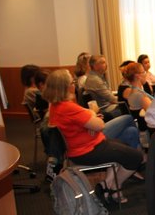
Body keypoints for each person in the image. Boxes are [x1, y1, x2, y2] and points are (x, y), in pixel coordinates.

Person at [43, 69, 143, 203]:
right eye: (72, 82)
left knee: (126, 139)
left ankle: (106, 184)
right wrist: (93, 118)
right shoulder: (68, 108)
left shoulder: (56, 106)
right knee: (136, 157)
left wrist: (91, 119)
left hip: (85, 146)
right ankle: (114, 187)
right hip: (87, 151)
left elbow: (89, 116)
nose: (74, 84)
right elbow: (100, 125)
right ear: (66, 87)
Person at [84, 55, 122, 121]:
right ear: (95, 66)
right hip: (105, 109)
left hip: (107, 105)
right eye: (103, 63)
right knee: (127, 108)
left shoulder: (96, 77)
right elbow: (112, 99)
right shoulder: (95, 80)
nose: (106, 64)